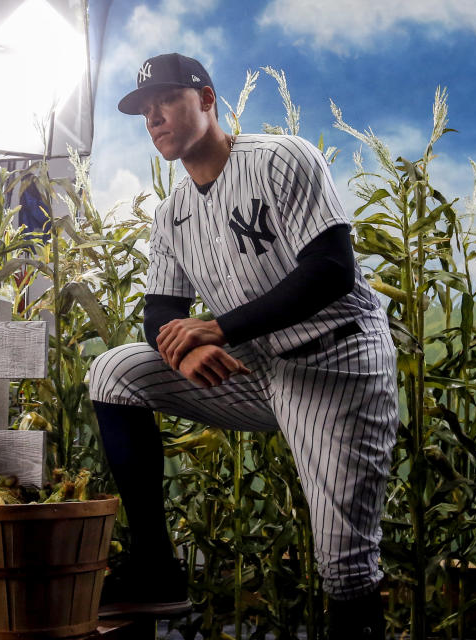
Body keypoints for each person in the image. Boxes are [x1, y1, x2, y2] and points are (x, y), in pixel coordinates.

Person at [89, 53, 398, 640]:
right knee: (113, 372)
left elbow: (331, 268)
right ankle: (156, 570)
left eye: (167, 100)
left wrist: (218, 329)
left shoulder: (282, 158)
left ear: (206, 98)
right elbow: (162, 309)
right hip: (252, 372)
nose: (153, 117)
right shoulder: (173, 213)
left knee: (344, 566)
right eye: (143, 110)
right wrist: (184, 349)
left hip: (335, 366)